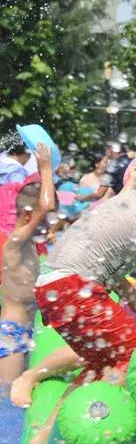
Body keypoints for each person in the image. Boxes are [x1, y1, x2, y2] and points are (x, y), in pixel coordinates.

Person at [14, 136, 136, 444]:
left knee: (102, 361)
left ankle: (46, 437)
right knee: (133, 356)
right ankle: (88, 425)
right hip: (72, 287)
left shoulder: (135, 200)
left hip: (56, 283)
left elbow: (102, 253)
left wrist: (131, 297)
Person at [0, 143, 54, 385]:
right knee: (7, 399)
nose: (50, 224)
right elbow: (48, 206)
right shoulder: (15, 241)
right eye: (44, 220)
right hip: (11, 332)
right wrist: (45, 168)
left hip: (27, 331)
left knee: (18, 396)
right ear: (30, 216)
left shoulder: (30, 244)